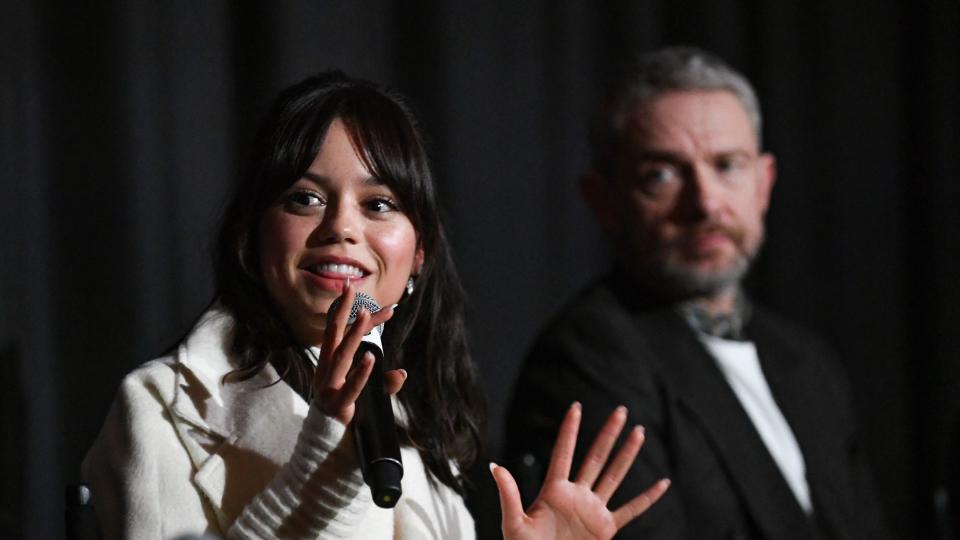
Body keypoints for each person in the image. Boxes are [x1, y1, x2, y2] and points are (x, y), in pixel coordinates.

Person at [82, 71, 669, 539]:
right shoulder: (158, 407)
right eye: (305, 198)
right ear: (254, 235)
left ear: (418, 255)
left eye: (380, 204)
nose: (342, 227)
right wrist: (327, 463)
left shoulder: (415, 423)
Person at [505, 47, 893, 539]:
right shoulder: (586, 355)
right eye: (661, 175)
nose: (705, 203)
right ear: (602, 201)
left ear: (764, 184)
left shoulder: (808, 358)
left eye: (728, 165)